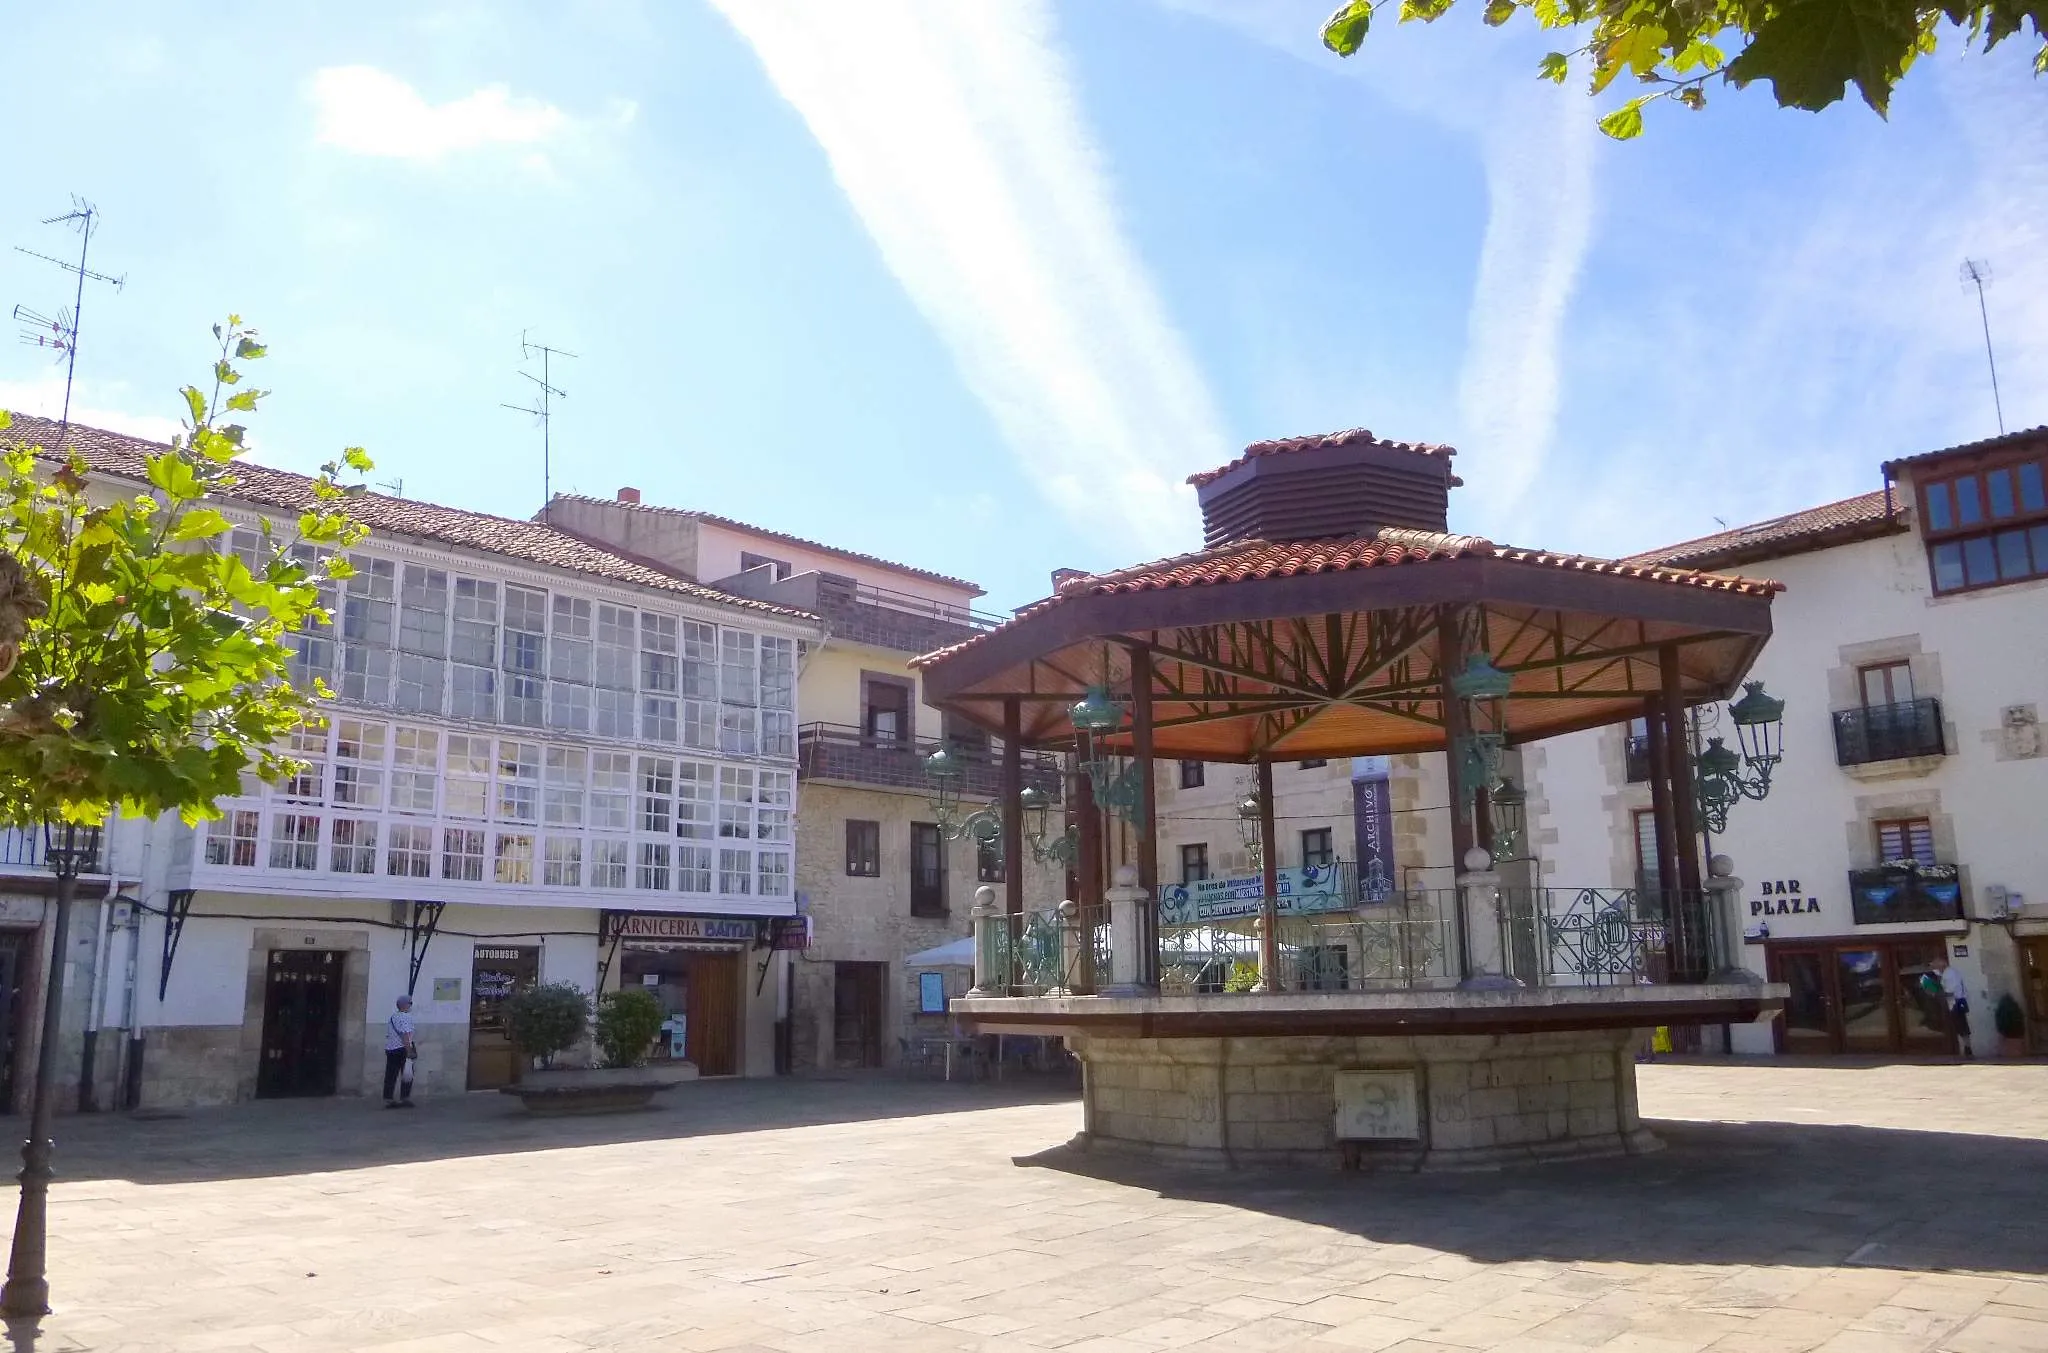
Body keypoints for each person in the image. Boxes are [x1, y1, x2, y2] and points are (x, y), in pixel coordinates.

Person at [383, 995, 418, 1107]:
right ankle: (405, 1097)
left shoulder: (393, 1016)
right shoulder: (406, 1017)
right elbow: (405, 1035)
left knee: (391, 1074)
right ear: (405, 1005)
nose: (411, 1006)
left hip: (391, 1049)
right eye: (410, 1003)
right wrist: (409, 1050)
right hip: (402, 1049)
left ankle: (388, 1098)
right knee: (407, 1074)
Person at [1935, 954, 1973, 1059]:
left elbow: (1951, 992)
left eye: (1938, 963)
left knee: (1961, 1025)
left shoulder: (1951, 974)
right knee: (1957, 1025)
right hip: (1952, 1002)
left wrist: (1937, 992)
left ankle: (1967, 1048)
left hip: (1957, 1002)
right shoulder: (1944, 973)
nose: (1936, 966)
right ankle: (1965, 1048)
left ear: (1944, 963)